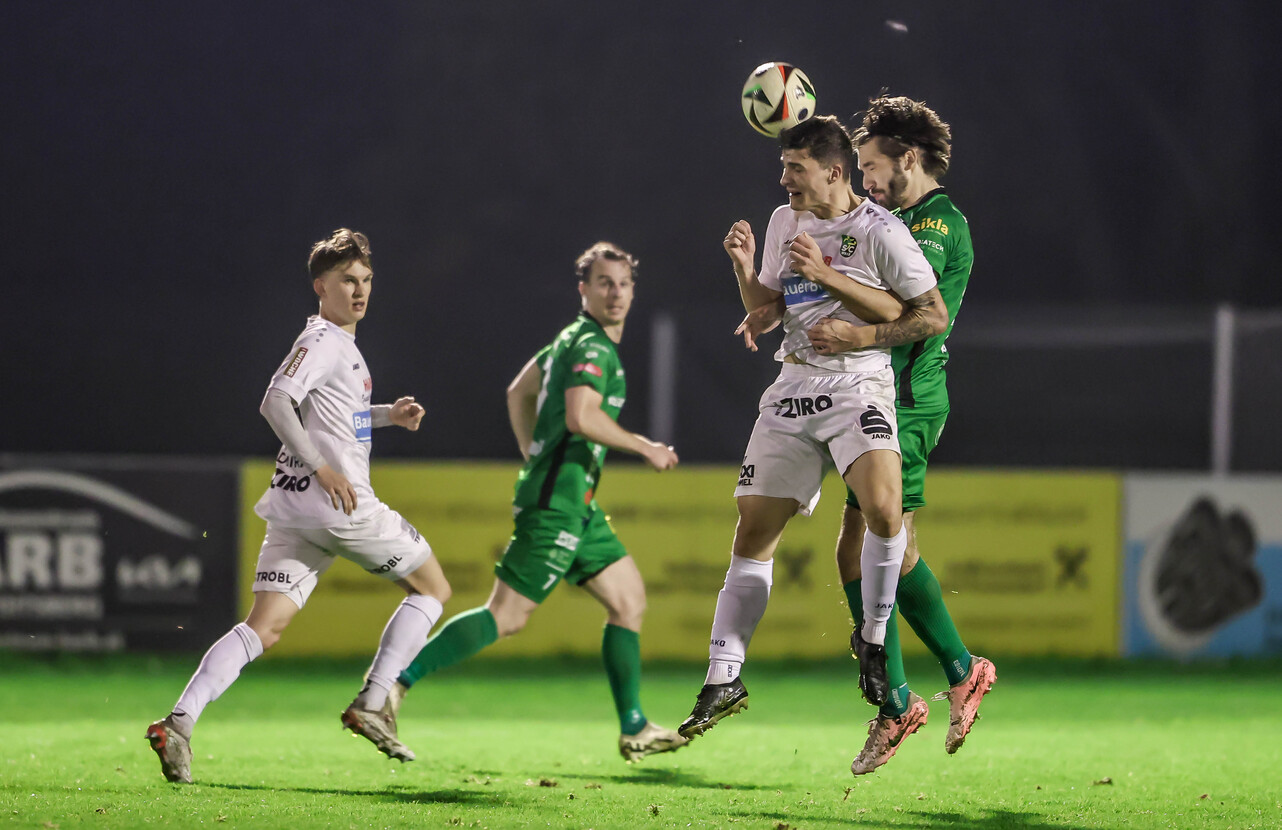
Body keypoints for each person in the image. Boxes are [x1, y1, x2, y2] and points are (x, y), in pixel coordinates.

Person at [355, 242, 688, 763]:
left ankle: (634, 726)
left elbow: (517, 392)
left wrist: (534, 453)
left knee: (628, 601)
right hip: (557, 504)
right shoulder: (593, 347)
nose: (616, 293)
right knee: (506, 616)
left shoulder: (568, 341)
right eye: (604, 282)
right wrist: (643, 445)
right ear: (584, 289)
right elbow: (581, 416)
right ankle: (389, 691)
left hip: (577, 504)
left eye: (624, 283)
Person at [145, 229, 452, 783]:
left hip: (294, 511)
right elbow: (275, 401)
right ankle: (374, 701)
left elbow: (333, 417)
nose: (358, 292)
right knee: (433, 588)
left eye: (365, 281)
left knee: (265, 625)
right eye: (346, 282)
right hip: (340, 504)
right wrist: (323, 467)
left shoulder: (341, 348)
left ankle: (179, 723)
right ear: (321, 286)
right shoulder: (324, 340)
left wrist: (387, 415)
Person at [678, 116, 948, 743]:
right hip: (795, 384)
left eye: (795, 169)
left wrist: (843, 301)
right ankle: (724, 676)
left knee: (884, 509)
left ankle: (875, 644)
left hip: (859, 385)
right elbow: (769, 312)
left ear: (833, 171)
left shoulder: (878, 230)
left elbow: (928, 315)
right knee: (753, 527)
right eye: (783, 168)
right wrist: (746, 270)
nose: (783, 180)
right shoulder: (782, 221)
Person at [758, 97, 996, 775]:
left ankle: (903, 701)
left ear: (909, 160)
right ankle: (951, 672)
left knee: (877, 547)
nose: (864, 179)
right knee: (856, 554)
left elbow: (925, 315)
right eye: (855, 167)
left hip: (909, 401)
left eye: (871, 166)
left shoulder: (938, 225)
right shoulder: (885, 217)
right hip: (861, 400)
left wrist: (856, 331)